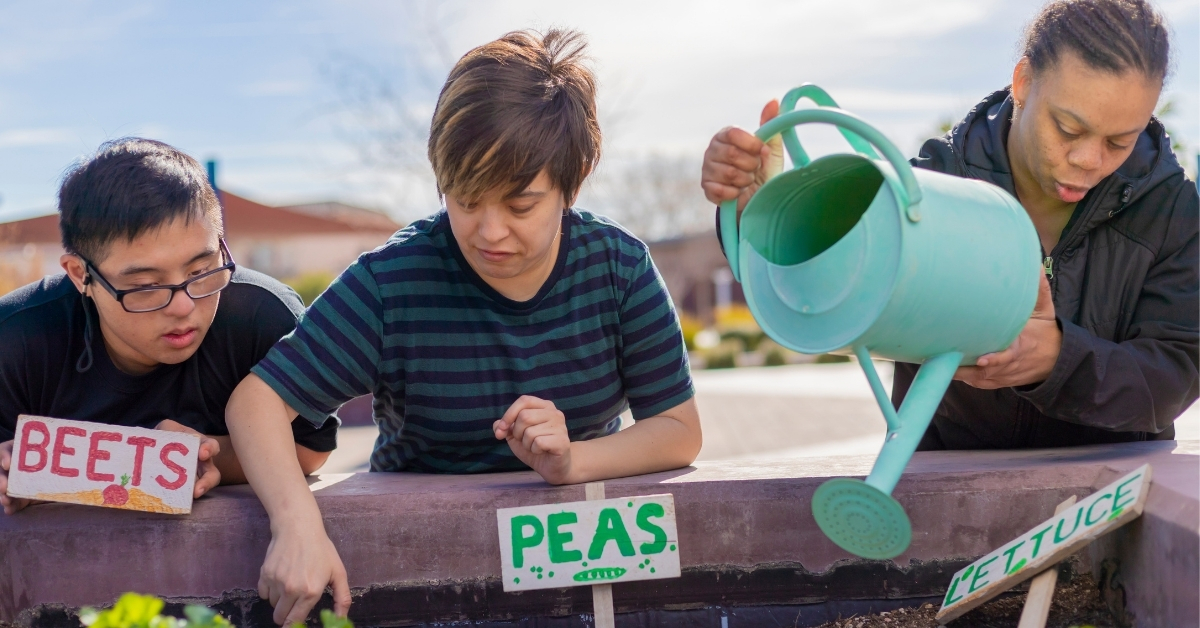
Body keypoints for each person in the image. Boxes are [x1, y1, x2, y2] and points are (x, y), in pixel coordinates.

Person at [225, 29, 701, 624]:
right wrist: (296, 524)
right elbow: (257, 404)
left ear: (571, 182)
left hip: (581, 568)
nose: (489, 231)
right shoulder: (390, 282)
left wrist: (571, 461)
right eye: (465, 199)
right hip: (417, 574)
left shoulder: (620, 268)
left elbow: (678, 429)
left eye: (520, 204)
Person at [701, 0, 1197, 449]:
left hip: (1119, 494)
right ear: (1023, 82)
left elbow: (1177, 371)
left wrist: (1061, 361)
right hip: (948, 490)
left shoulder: (1172, 208)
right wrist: (764, 213)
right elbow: (834, 298)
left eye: (1119, 141)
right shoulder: (932, 182)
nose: (1089, 159)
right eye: (1068, 128)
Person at [0, 138, 339, 515]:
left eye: (201, 269)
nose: (184, 305)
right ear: (81, 276)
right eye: (146, 286)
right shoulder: (15, 338)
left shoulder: (262, 315)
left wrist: (212, 456)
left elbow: (311, 448)